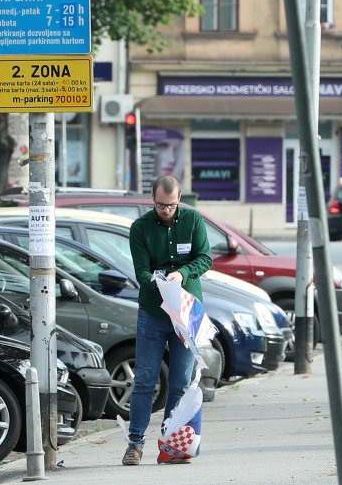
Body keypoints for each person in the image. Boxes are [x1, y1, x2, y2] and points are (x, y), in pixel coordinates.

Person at [121, 174, 213, 466]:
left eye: (172, 205)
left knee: (180, 382)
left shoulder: (193, 220)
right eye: (161, 205)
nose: (167, 210)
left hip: (185, 311)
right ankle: (135, 443)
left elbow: (205, 258)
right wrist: (157, 281)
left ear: (179, 198)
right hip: (154, 310)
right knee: (146, 380)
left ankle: (171, 442)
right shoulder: (141, 227)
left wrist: (182, 274)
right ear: (153, 199)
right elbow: (141, 271)